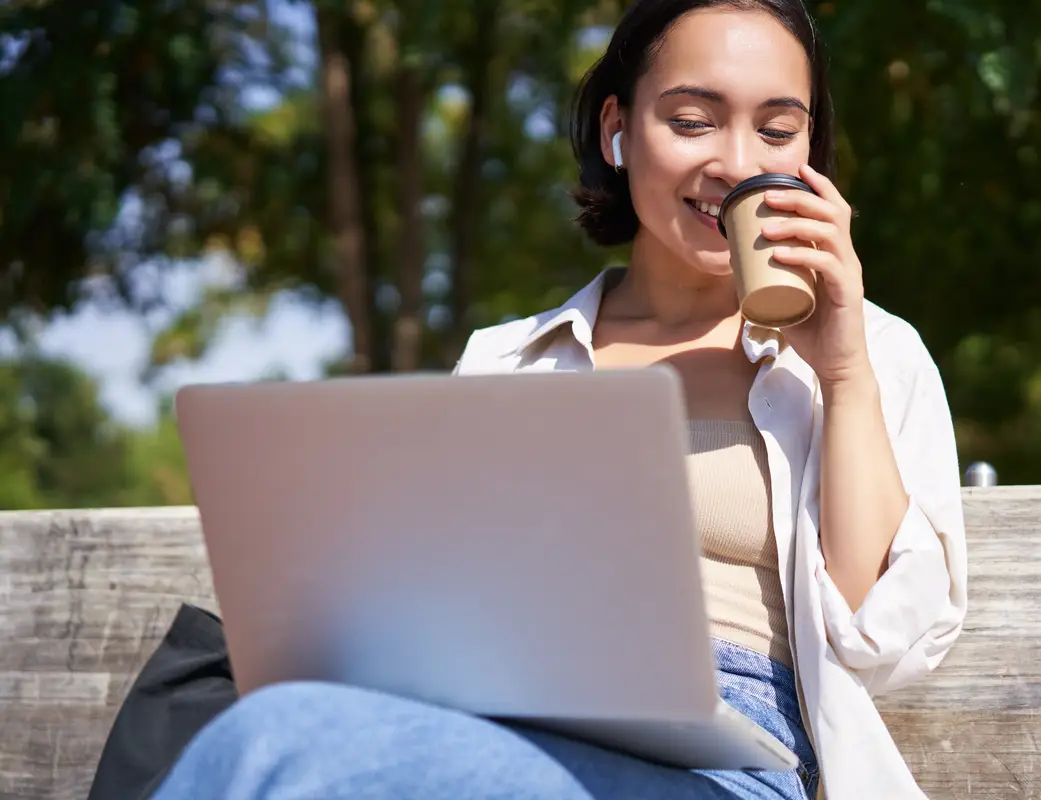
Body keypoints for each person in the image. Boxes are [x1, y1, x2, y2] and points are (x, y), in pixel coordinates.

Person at [150, 0, 968, 798]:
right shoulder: (508, 359)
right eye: (693, 121)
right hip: (512, 725)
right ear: (618, 129)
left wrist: (843, 372)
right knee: (274, 734)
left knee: (275, 744)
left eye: (778, 130)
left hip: (734, 759)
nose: (735, 162)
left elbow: (882, 639)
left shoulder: (869, 351)